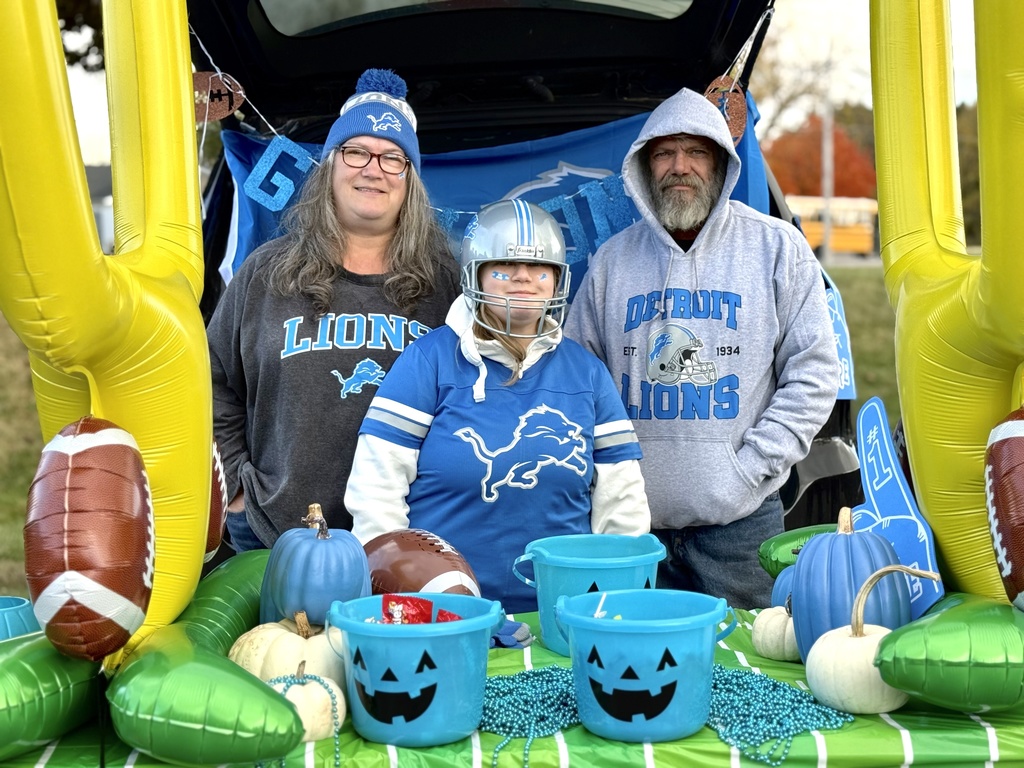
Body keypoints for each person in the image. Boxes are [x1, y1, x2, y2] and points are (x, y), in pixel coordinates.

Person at [563, 87, 840, 609]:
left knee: (750, 668)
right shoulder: (611, 262)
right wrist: (606, 478)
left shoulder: (776, 248)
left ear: (721, 163)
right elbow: (579, 381)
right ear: (645, 166)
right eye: (665, 153)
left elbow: (815, 373)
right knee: (640, 669)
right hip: (631, 530)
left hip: (740, 525)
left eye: (696, 151)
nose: (679, 166)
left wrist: (750, 466)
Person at [345, 199, 651, 613]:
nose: (523, 278)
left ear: (557, 280)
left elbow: (622, 505)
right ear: (476, 274)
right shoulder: (429, 360)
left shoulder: (587, 374)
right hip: (445, 609)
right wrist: (403, 593)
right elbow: (376, 490)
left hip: (564, 612)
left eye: (540, 269)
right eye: (504, 266)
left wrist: (612, 601)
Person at [208, 68, 461, 550]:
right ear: (329, 167)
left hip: (409, 536)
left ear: (411, 181)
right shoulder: (265, 272)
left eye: (393, 158)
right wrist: (239, 490)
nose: (373, 169)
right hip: (274, 531)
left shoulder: (444, 282)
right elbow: (213, 380)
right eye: (356, 151)